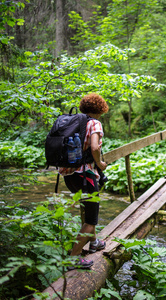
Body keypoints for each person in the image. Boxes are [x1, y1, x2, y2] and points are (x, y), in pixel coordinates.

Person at [59, 93, 109, 269]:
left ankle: (94, 242)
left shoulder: (74, 122)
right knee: (91, 220)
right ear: (100, 108)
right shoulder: (94, 123)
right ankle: (73, 259)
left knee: (88, 211)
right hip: (86, 176)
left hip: (69, 175)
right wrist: (100, 163)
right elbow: (95, 147)